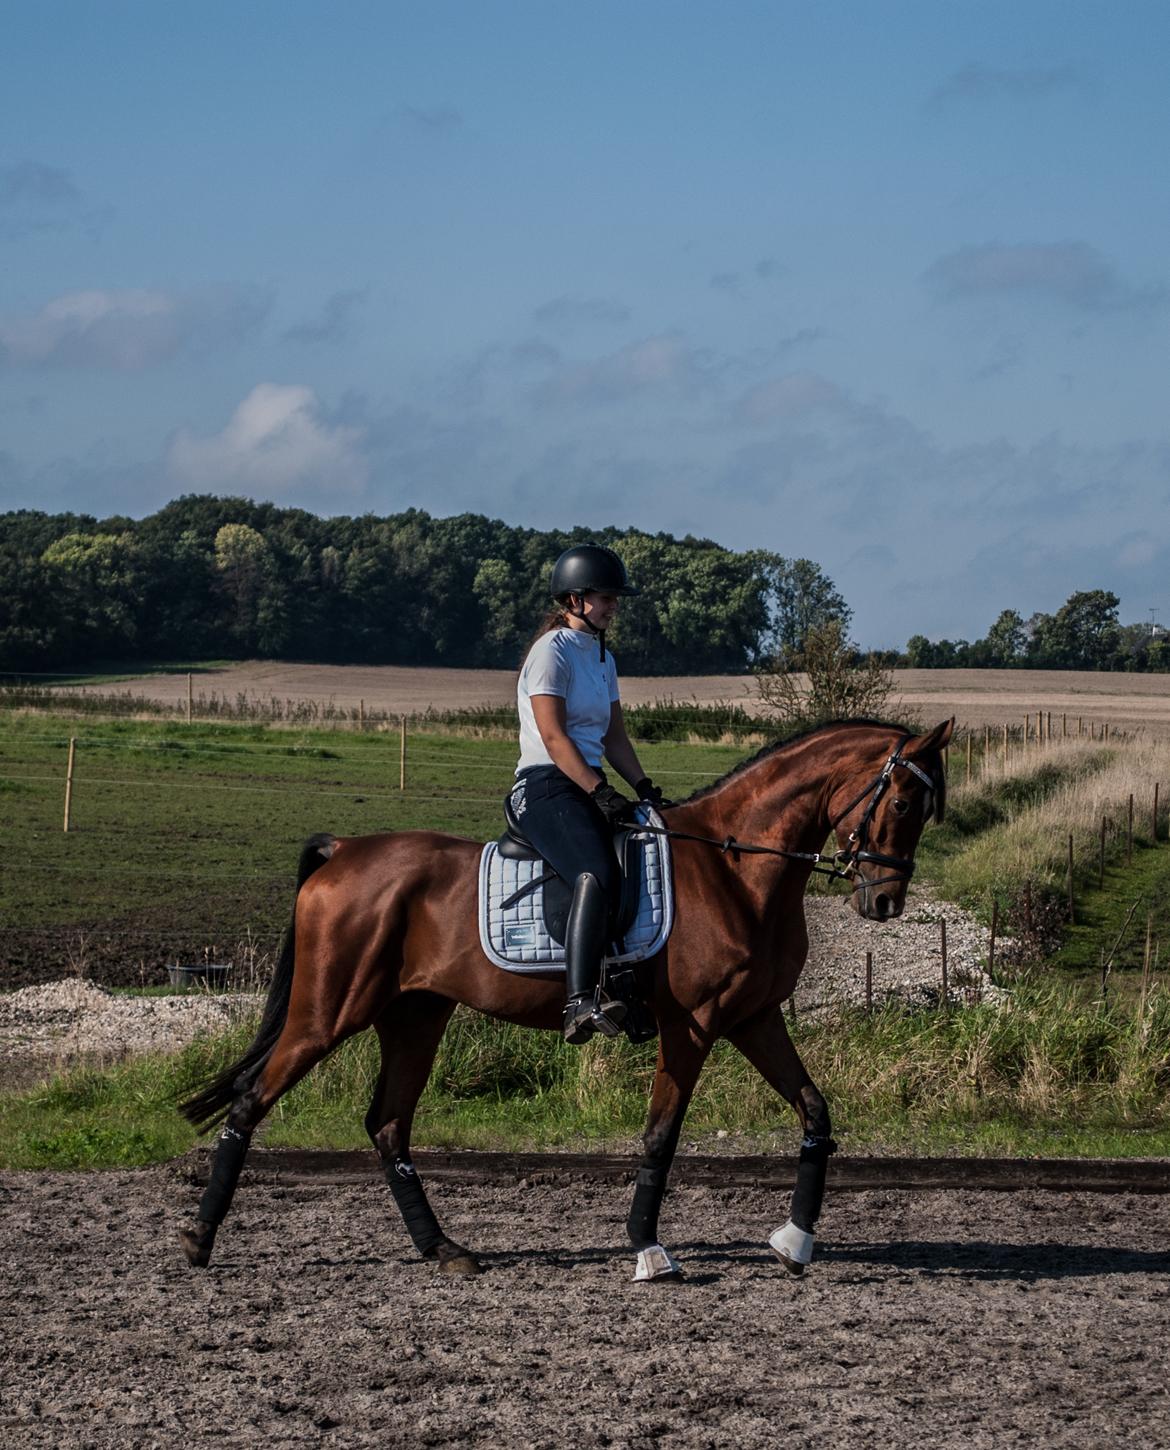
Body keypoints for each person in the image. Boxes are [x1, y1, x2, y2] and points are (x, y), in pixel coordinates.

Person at [512, 544, 669, 1044]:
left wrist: (642, 787)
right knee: (595, 871)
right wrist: (599, 791)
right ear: (575, 599)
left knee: (644, 859)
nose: (613, 606)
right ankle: (579, 1002)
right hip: (543, 785)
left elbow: (614, 737)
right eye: (605, 598)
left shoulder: (603, 657)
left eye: (615, 599)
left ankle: (626, 984)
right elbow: (554, 737)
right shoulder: (550, 653)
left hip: (585, 783)